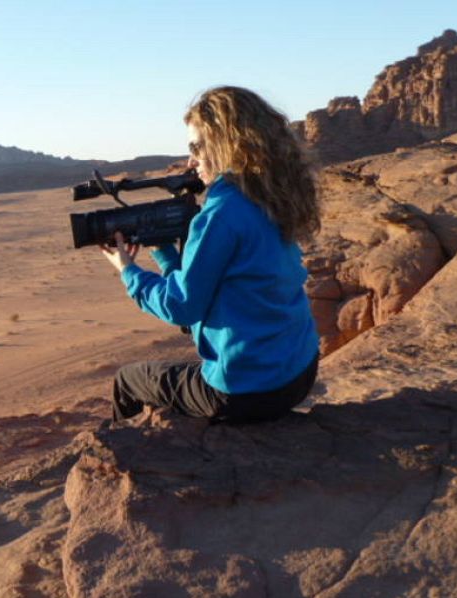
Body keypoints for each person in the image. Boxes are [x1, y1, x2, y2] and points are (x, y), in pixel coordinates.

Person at [101, 86, 320, 424]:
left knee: (128, 380)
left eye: (197, 146)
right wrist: (162, 250)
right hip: (298, 373)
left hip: (247, 390)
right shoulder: (270, 196)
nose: (191, 160)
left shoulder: (221, 213)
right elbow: (204, 287)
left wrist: (129, 272)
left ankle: (123, 457)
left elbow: (183, 306)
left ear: (228, 143)